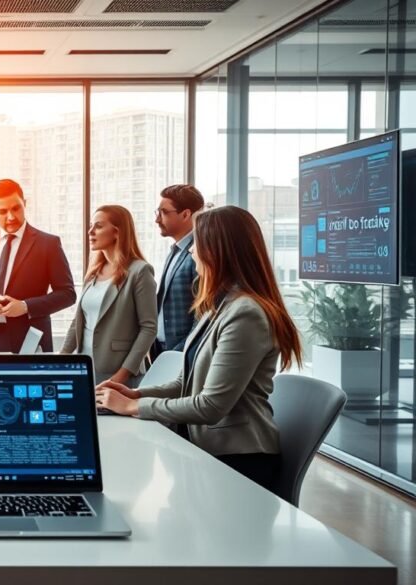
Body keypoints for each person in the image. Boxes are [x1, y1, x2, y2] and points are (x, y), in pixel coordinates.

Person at [95, 206, 302, 493]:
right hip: (204, 449)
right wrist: (137, 393)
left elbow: (211, 405)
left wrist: (133, 407)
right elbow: (189, 380)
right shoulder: (220, 305)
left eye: (197, 245)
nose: (191, 253)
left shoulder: (246, 314)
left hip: (237, 461)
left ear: (218, 251)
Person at [0, 178, 76, 352]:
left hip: (28, 341)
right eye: (3, 211)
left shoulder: (49, 244)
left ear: (24, 204)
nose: (11, 217)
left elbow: (67, 294)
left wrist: (25, 307)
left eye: (16, 208)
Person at [60, 205, 157, 385]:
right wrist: (61, 359)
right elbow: (78, 321)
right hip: (86, 368)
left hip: (118, 373)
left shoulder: (140, 271)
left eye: (98, 226)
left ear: (116, 232)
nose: (90, 231)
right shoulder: (94, 271)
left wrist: (121, 376)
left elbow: (149, 328)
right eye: (91, 225)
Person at [151, 184, 205, 360]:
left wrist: (180, 352)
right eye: (157, 213)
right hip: (163, 351)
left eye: (164, 212)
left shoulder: (200, 253)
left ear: (185, 214)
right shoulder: (175, 251)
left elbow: (203, 313)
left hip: (182, 354)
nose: (157, 220)